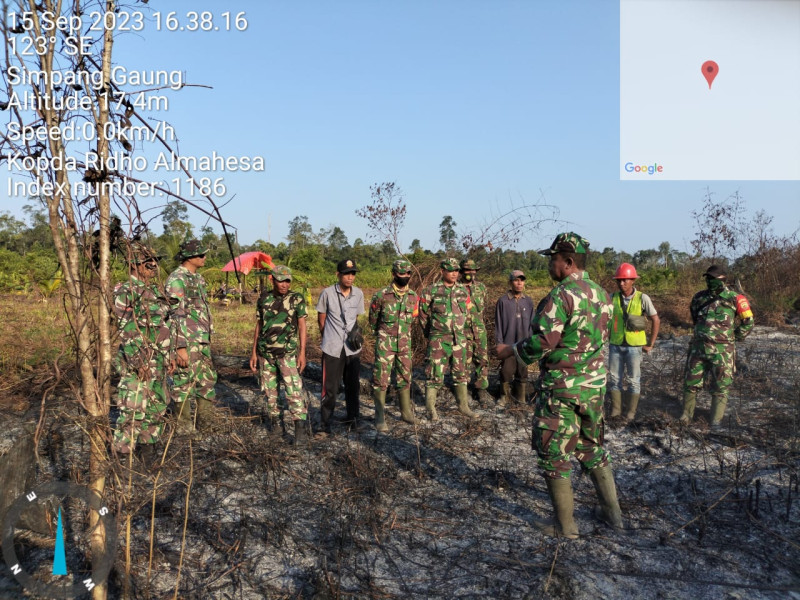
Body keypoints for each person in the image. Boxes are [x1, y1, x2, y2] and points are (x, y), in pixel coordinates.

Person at [497, 232, 622, 539]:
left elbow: (543, 341)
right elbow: (606, 335)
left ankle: (564, 526)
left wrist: (511, 351)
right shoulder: (603, 295)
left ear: (567, 262)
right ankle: (614, 516)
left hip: (562, 389)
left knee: (554, 453)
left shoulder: (561, 296)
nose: (549, 265)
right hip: (594, 388)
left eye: (552, 259)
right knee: (592, 447)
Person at [112, 242, 172, 467]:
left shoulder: (154, 291)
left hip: (158, 359)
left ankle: (148, 454)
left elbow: (164, 325)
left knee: (157, 406)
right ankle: (122, 458)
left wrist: (169, 356)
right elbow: (127, 328)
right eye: (148, 263)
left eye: (155, 262)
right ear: (134, 265)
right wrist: (138, 362)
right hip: (138, 361)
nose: (154, 266)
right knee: (133, 409)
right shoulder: (126, 290)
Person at [680, 265, 754, 429]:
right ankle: (686, 417)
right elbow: (695, 318)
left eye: (713, 278)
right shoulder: (699, 297)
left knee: (721, 386)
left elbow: (748, 322)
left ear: (723, 279)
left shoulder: (736, 298)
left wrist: (733, 337)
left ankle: (715, 422)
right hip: (698, 349)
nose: (709, 281)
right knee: (690, 382)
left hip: (722, 352)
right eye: (708, 278)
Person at [249, 265, 309, 445]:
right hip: (266, 354)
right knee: (270, 393)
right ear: (272, 280)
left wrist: (302, 353)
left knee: (294, 392)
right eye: (280, 281)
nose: (284, 284)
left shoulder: (296, 299)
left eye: (287, 281)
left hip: (287, 354)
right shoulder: (264, 299)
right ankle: (276, 427)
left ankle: (299, 432)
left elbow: (302, 326)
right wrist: (253, 352)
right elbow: (259, 326)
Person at [166, 239, 217, 434]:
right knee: (183, 383)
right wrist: (180, 347)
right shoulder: (176, 279)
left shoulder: (198, 279)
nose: (205, 258)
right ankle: (184, 427)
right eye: (201, 255)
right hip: (187, 341)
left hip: (201, 340)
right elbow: (174, 314)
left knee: (206, 380)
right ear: (190, 257)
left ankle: (206, 424)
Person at [418, 257, 476, 420]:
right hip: (438, 339)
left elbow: (467, 313)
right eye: (450, 270)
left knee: (461, 373)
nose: (454, 273)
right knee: (434, 373)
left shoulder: (463, 291)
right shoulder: (431, 290)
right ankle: (430, 408)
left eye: (456, 270)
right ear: (442, 271)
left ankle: (463, 406)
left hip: (459, 340)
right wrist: (431, 333)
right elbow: (422, 314)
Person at [368, 259, 420, 430]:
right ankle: (379, 416)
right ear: (393, 274)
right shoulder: (381, 295)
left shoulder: (413, 296)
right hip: (386, 343)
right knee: (381, 378)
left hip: (404, 344)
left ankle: (406, 412)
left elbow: (413, 319)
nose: (404, 276)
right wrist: (383, 336)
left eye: (407, 273)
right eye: (401, 273)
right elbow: (373, 320)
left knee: (405, 376)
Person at [316, 258, 366, 434]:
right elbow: (321, 320)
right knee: (330, 389)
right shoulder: (327, 293)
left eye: (353, 274)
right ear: (338, 274)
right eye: (346, 274)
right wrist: (329, 338)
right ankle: (324, 426)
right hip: (332, 348)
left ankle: (353, 420)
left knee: (353, 386)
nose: (350, 277)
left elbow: (355, 319)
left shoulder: (358, 294)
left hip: (352, 349)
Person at [608, 263, 660, 422]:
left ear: (633, 280)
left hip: (634, 347)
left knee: (633, 380)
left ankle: (631, 413)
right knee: (614, 379)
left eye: (625, 280)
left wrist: (651, 343)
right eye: (619, 280)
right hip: (615, 345)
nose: (621, 283)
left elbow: (655, 319)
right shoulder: (611, 297)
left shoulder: (642, 298)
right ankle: (616, 411)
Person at [494, 269, 534, 406]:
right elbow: (498, 324)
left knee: (522, 372)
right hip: (508, 344)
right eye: (516, 280)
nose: (519, 283)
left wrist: (531, 342)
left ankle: (520, 397)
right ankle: (504, 396)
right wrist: (499, 344)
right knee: (506, 371)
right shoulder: (503, 301)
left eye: (522, 280)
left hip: (523, 344)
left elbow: (532, 324)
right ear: (510, 282)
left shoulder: (528, 301)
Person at [460, 259, 492, 405]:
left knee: (482, 361)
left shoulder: (481, 288)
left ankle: (481, 390)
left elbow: (483, 307)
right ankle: (464, 391)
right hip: (463, 331)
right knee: (463, 362)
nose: (471, 273)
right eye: (468, 270)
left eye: (473, 270)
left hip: (479, 330)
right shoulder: (456, 289)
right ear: (461, 272)